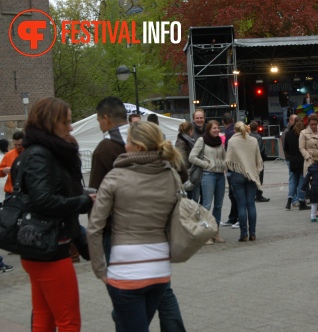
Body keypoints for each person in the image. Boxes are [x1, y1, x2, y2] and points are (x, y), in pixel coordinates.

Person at [90, 97, 186, 332]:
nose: (125, 145)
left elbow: (94, 226)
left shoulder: (115, 174)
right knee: (152, 310)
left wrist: (100, 271)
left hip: (125, 262)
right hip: (159, 265)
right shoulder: (170, 174)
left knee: (129, 322)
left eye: (129, 142)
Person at [17, 97, 94, 331]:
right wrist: (82, 202)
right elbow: (43, 200)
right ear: (51, 122)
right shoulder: (41, 153)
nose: (70, 127)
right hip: (50, 247)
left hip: (39, 245)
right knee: (68, 320)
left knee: (44, 316)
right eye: (66, 122)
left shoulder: (38, 151)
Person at [189, 120, 226, 245]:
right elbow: (192, 157)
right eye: (214, 128)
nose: (216, 130)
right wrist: (206, 164)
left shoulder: (220, 141)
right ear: (209, 129)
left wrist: (224, 164)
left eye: (218, 128)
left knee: (219, 206)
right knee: (207, 205)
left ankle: (216, 232)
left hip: (220, 175)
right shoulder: (202, 140)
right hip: (208, 175)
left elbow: (223, 156)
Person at [226, 122, 263, 242]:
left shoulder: (232, 141)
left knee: (241, 205)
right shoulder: (253, 140)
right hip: (251, 175)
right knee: (251, 204)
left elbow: (229, 160)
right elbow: (258, 158)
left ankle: (244, 234)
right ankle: (253, 233)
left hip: (237, 175)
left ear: (235, 130)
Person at [283, 116, 308, 210]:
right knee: (302, 181)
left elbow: (286, 148)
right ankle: (302, 201)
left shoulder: (289, 133)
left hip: (293, 160)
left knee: (293, 181)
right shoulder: (304, 133)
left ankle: (289, 200)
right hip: (303, 159)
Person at [220, 113, 240, 228]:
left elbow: (228, 151)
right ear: (233, 120)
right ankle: (233, 218)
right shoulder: (235, 131)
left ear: (223, 122)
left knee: (235, 195)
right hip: (237, 167)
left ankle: (236, 218)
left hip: (233, 168)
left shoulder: (228, 133)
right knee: (234, 194)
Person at [299, 113, 318, 178]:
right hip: (311, 159)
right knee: (312, 181)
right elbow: (301, 147)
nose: (313, 126)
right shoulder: (303, 133)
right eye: (311, 124)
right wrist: (307, 156)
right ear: (308, 124)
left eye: (315, 124)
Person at [175, 121, 198, 201]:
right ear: (190, 131)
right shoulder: (182, 142)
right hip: (187, 174)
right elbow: (182, 160)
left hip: (189, 173)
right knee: (189, 199)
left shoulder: (186, 140)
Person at [0, 131, 25, 200]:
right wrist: (3, 171)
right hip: (10, 193)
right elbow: (0, 171)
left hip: (25, 194)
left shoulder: (30, 154)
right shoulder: (9, 155)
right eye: (15, 144)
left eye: (20, 145)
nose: (17, 147)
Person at [249, 121, 270, 202]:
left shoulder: (248, 136)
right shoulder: (258, 137)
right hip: (258, 160)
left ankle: (252, 193)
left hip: (250, 160)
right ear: (257, 128)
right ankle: (259, 194)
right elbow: (261, 149)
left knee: (252, 177)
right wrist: (264, 157)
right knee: (260, 177)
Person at [281, 114, 299, 206]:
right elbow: (285, 147)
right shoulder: (287, 132)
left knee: (295, 179)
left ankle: (297, 198)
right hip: (291, 158)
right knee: (293, 178)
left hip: (292, 158)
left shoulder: (293, 131)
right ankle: (294, 199)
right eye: (295, 120)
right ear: (290, 121)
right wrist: (288, 156)